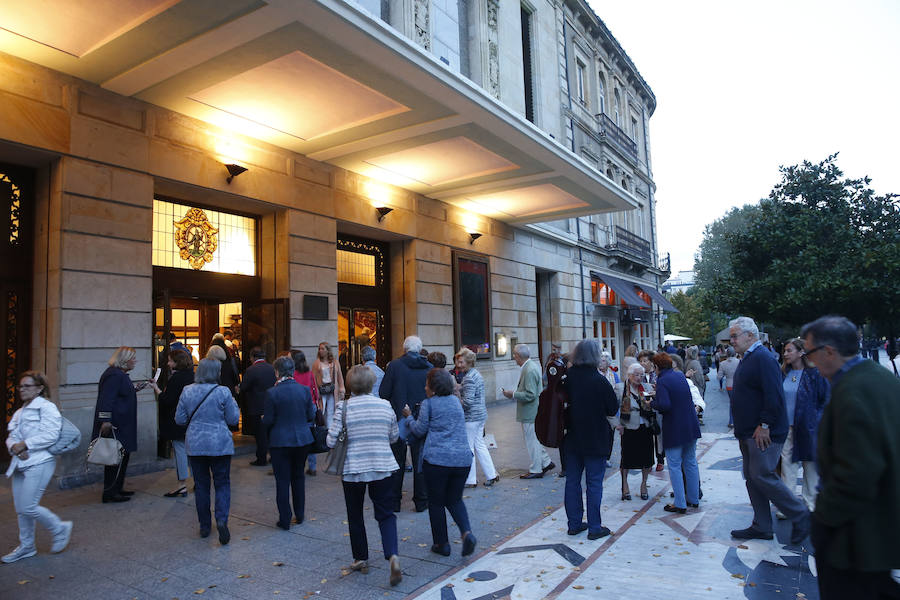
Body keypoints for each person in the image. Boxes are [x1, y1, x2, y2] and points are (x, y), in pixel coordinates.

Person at [800, 316, 900, 599]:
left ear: (828, 351)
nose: (810, 362)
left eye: (810, 354)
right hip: (874, 529)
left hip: (856, 536)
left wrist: (824, 519)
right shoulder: (878, 377)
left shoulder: (854, 390)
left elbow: (859, 472)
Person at [728, 316, 809, 544]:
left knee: (762, 475)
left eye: (735, 336)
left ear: (750, 336)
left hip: (763, 433)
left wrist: (765, 425)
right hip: (747, 432)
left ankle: (799, 514)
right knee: (753, 478)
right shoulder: (749, 358)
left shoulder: (763, 358)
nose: (731, 340)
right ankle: (762, 525)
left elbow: (774, 395)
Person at [329, 365, 402, 587]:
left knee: (355, 514)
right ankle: (393, 555)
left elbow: (331, 442)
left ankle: (361, 558)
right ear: (372, 383)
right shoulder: (385, 405)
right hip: (382, 465)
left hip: (353, 468)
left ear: (350, 385)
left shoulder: (343, 408)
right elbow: (394, 437)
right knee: (386, 513)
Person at [402, 368, 477, 557]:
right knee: (454, 499)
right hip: (462, 459)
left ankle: (441, 544)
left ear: (433, 388)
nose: (425, 387)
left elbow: (419, 430)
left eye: (427, 384)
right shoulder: (455, 402)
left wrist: (408, 417)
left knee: (436, 502)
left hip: (437, 460)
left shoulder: (429, 404)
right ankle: (466, 532)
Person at [3, 371, 73, 563]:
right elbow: (11, 437)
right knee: (21, 509)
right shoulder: (19, 412)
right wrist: (15, 448)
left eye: (27, 386)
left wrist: (26, 445)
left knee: (28, 506)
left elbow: (51, 434)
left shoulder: (47, 408)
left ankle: (59, 528)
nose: (22, 390)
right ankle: (27, 546)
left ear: (40, 388)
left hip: (40, 461)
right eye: (21, 386)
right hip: (20, 463)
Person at [175, 358, 240, 544]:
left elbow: (179, 419)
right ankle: (221, 519)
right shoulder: (223, 392)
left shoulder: (187, 391)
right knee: (222, 483)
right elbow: (233, 418)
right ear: (216, 373)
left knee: (201, 485)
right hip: (219, 443)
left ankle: (204, 525)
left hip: (196, 443)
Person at [562, 339, 618, 539]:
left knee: (572, 481)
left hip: (572, 437)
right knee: (594, 483)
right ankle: (595, 527)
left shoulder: (568, 377)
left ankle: (574, 523)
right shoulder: (599, 380)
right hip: (595, 438)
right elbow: (612, 408)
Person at [379, 335, 432, 512]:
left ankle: (395, 502)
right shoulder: (429, 368)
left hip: (399, 418)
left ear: (404, 349)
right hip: (422, 418)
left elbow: (383, 392)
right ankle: (421, 501)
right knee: (420, 462)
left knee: (398, 461)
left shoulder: (394, 366)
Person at [264, 355, 316, 530]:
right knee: (298, 477)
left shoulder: (272, 392)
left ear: (277, 372)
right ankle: (300, 514)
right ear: (292, 371)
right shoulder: (304, 390)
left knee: (282, 480)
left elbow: (269, 420)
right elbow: (311, 415)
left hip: (280, 441)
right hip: (302, 440)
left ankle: (285, 518)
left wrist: (264, 420)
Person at [779, 338, 830, 514]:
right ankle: (788, 506)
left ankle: (811, 502)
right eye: (785, 351)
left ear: (801, 352)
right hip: (787, 426)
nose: (785, 354)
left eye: (789, 350)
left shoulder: (815, 374)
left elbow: (825, 399)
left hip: (809, 427)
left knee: (811, 466)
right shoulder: (783, 373)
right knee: (787, 466)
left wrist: (817, 420)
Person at [650, 353, 701, 514]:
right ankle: (693, 498)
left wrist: (652, 403)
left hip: (674, 428)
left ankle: (679, 503)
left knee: (674, 466)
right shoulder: (680, 376)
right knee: (691, 462)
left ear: (657, 367)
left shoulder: (662, 380)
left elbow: (664, 405)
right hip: (690, 425)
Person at [93, 346, 143, 503]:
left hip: (123, 423)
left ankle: (117, 488)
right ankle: (110, 492)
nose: (135, 361)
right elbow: (106, 399)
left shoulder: (119, 374)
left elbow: (120, 394)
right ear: (125, 359)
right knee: (115, 459)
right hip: (117, 425)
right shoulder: (114, 375)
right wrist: (105, 420)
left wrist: (135, 389)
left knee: (121, 457)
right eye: (133, 358)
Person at [503, 344, 554, 479]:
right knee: (534, 439)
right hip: (532, 410)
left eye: (514, 355)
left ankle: (536, 469)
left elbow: (530, 394)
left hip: (531, 411)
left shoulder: (529, 369)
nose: (514, 357)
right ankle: (546, 462)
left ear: (519, 356)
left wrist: (512, 394)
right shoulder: (530, 366)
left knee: (532, 441)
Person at [455, 348, 499, 488]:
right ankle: (491, 474)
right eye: (458, 361)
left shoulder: (468, 377)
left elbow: (467, 403)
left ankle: (471, 479)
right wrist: (459, 388)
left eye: (461, 362)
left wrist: (456, 398)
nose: (458, 364)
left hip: (471, 418)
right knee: (479, 445)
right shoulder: (475, 374)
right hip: (480, 416)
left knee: (470, 448)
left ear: (468, 362)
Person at [155, 349, 194, 498]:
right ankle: (198, 480)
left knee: (180, 451)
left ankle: (182, 485)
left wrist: (157, 390)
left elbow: (168, 400)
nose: (168, 363)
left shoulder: (176, 379)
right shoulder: (191, 375)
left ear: (177, 362)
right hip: (190, 419)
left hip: (177, 420)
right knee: (192, 452)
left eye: (170, 360)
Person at [617, 363, 654, 501]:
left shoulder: (648, 388)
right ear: (629, 375)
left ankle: (644, 484)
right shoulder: (620, 388)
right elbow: (610, 408)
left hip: (645, 426)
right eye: (636, 375)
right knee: (627, 458)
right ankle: (624, 485)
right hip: (629, 427)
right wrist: (616, 424)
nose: (639, 378)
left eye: (641, 375)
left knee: (647, 458)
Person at [240, 347, 276, 467]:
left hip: (256, 406)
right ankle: (273, 456)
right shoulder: (272, 368)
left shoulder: (251, 370)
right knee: (270, 432)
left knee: (260, 434)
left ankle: (261, 458)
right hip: (270, 405)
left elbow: (244, 387)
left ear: (253, 357)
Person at [291, 350, 320, 476]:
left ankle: (298, 465)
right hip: (311, 406)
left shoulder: (292, 374)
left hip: (297, 407)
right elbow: (315, 390)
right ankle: (312, 466)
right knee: (311, 435)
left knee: (296, 436)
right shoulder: (309, 373)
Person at [638, 350, 664, 471]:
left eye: (645, 361)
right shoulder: (638, 375)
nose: (642, 363)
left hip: (656, 408)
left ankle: (660, 459)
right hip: (644, 408)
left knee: (658, 435)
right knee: (647, 435)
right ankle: (648, 460)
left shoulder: (658, 374)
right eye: (640, 361)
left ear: (651, 362)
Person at [313, 341, 345, 428]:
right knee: (321, 410)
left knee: (331, 410)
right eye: (319, 349)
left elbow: (340, 377)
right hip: (321, 390)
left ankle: (329, 430)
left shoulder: (335, 362)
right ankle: (323, 429)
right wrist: (316, 392)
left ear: (328, 350)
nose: (320, 350)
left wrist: (342, 389)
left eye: (322, 349)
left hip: (332, 390)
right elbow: (314, 379)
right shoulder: (317, 363)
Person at [719, 347, 740, 428]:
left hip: (728, 385)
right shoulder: (739, 362)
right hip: (737, 384)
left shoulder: (723, 363)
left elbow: (719, 376)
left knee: (732, 403)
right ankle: (736, 421)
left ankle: (731, 421)